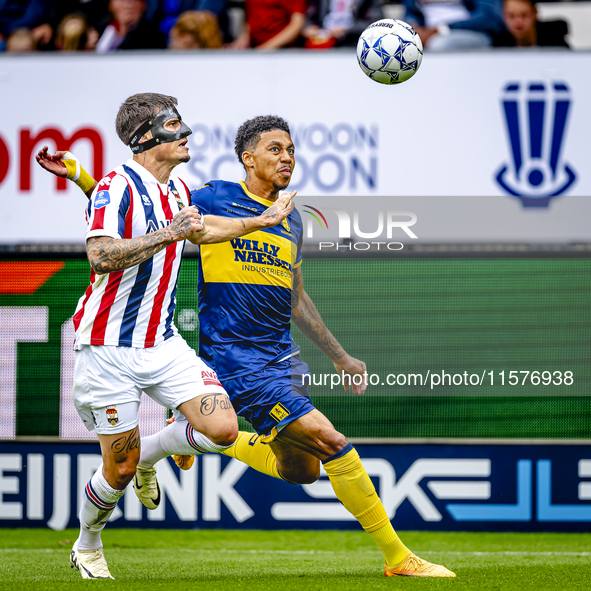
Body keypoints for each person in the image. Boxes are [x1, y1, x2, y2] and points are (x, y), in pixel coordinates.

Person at [46, 115, 455, 578]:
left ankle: (168, 444)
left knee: (303, 471)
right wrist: (82, 177)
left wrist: (339, 356)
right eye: (275, 149)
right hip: (234, 354)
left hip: (280, 356)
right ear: (248, 158)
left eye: (291, 150)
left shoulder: (292, 219)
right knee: (331, 441)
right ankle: (399, 558)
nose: (287, 158)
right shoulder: (212, 196)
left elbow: (296, 294)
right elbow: (137, 208)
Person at [35, 94, 294, 580]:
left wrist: (259, 221)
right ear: (146, 137)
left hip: (163, 341)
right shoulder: (115, 186)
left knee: (223, 431)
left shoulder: (174, 191)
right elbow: (101, 256)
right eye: (174, 125)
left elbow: (202, 229)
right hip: (108, 346)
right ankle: (88, 544)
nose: (187, 133)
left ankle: (154, 450)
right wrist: (168, 234)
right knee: (119, 470)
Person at [404, 0, 505, 51]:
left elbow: (489, 17)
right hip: (427, 33)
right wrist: (414, 27)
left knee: (439, 44)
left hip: (471, 32)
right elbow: (411, 12)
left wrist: (441, 29)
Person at [95, 0, 166, 52]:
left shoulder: (153, 37)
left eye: (135, 0)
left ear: (144, 5)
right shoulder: (97, 31)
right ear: (110, 4)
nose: (128, 3)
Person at [230, 0, 306, 49]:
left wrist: (265, 48)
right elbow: (250, 16)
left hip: (282, 51)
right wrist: (243, 37)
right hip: (253, 48)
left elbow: (297, 24)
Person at [493, 0, 569, 48]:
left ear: (535, 13)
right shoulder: (500, 45)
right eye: (511, 16)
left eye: (524, 15)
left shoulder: (555, 41)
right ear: (503, 16)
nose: (518, 21)